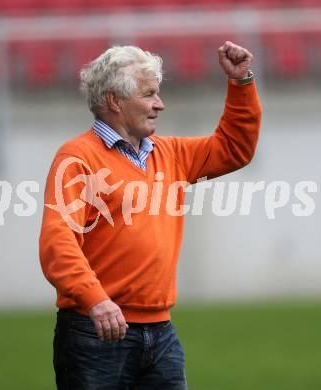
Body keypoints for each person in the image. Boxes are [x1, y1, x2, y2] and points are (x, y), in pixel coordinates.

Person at [39, 41, 262, 389]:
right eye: (149, 94)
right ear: (114, 100)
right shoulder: (77, 157)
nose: (160, 104)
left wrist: (242, 83)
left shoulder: (169, 152)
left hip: (161, 333)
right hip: (96, 329)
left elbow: (235, 147)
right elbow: (58, 243)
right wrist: (96, 300)